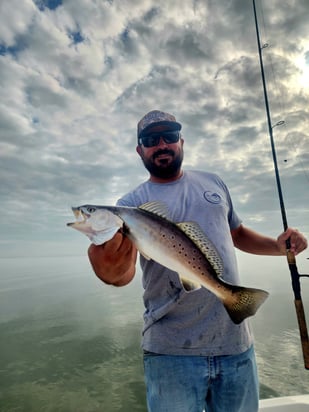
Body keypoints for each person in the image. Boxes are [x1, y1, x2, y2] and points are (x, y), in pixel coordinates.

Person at [88, 110, 307, 412]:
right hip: (170, 352)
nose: (161, 144)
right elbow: (120, 274)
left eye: (169, 136)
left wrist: (280, 247)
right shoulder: (128, 206)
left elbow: (238, 234)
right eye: (151, 139)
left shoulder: (213, 182)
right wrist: (106, 261)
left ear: (181, 141)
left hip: (235, 345)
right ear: (140, 150)